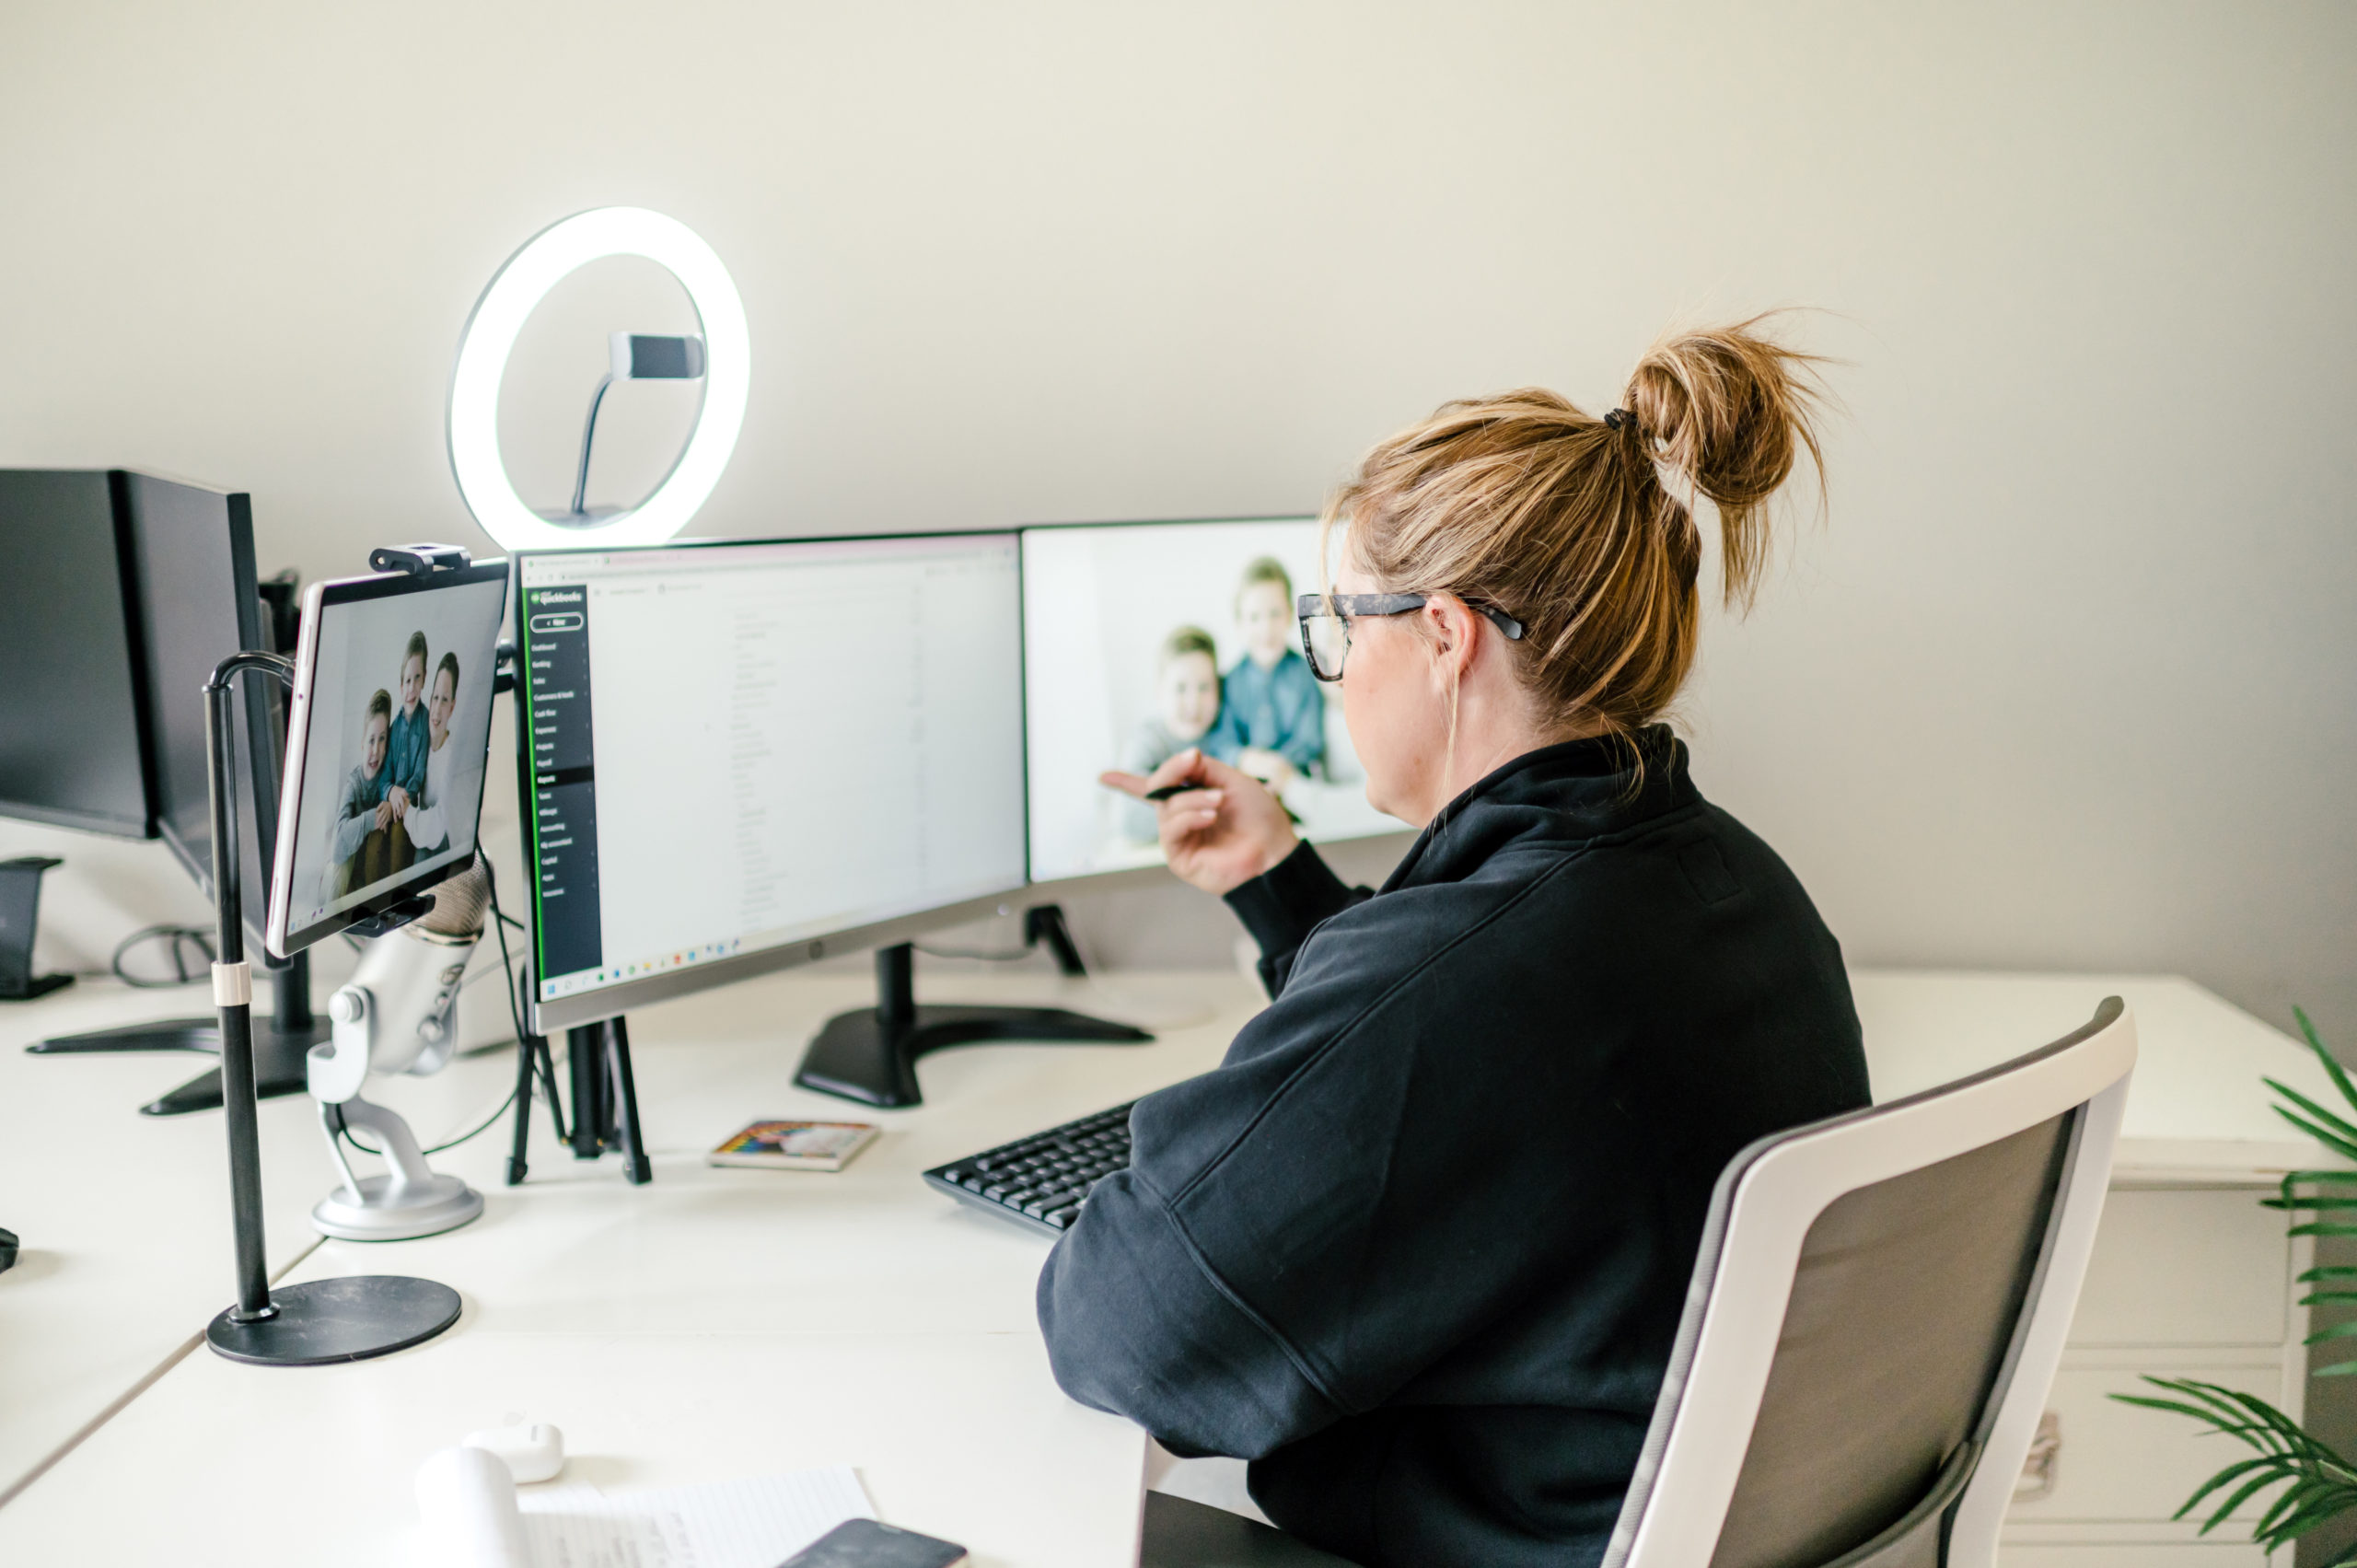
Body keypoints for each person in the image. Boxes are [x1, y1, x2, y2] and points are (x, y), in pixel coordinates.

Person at [1058, 317, 1871, 1568]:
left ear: (1445, 635)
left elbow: (1126, 1326)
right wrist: (1281, 881)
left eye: (1341, 627)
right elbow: (1462, 1061)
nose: (1330, 672)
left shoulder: (1485, 975)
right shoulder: (1729, 884)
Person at [1203, 556, 1323, 790]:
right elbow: (1222, 740)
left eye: (1275, 614)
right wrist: (1245, 758)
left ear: (1289, 615)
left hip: (1294, 780)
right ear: (1240, 622)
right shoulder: (1230, 682)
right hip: (1245, 781)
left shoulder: (1305, 673)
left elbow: (1310, 739)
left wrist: (1282, 764)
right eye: (1255, 617)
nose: (1266, 628)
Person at [1117, 626, 1223, 842]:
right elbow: (1128, 819)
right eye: (1181, 688)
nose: (1194, 703)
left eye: (1204, 687)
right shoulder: (1147, 741)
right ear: (1160, 691)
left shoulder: (1227, 736)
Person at [327, 688, 401, 896]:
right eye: (371, 740)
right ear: (362, 743)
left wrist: (391, 801)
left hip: (373, 875)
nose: (375, 750)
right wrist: (372, 818)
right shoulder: (354, 784)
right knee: (337, 868)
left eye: (382, 739)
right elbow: (337, 848)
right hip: (349, 866)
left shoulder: (390, 780)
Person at [399, 651, 465, 856]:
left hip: (439, 840)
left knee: (423, 854)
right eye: (435, 698)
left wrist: (405, 808)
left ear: (452, 707)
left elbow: (433, 831)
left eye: (444, 700)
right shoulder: (421, 738)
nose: (435, 710)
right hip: (418, 819)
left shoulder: (452, 761)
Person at [385, 630, 430, 820]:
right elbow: (385, 774)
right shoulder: (394, 727)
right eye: (408, 681)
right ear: (401, 685)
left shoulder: (426, 721)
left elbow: (418, 775)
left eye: (417, 678)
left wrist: (404, 797)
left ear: (425, 678)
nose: (412, 688)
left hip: (408, 807)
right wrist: (391, 791)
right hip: (390, 802)